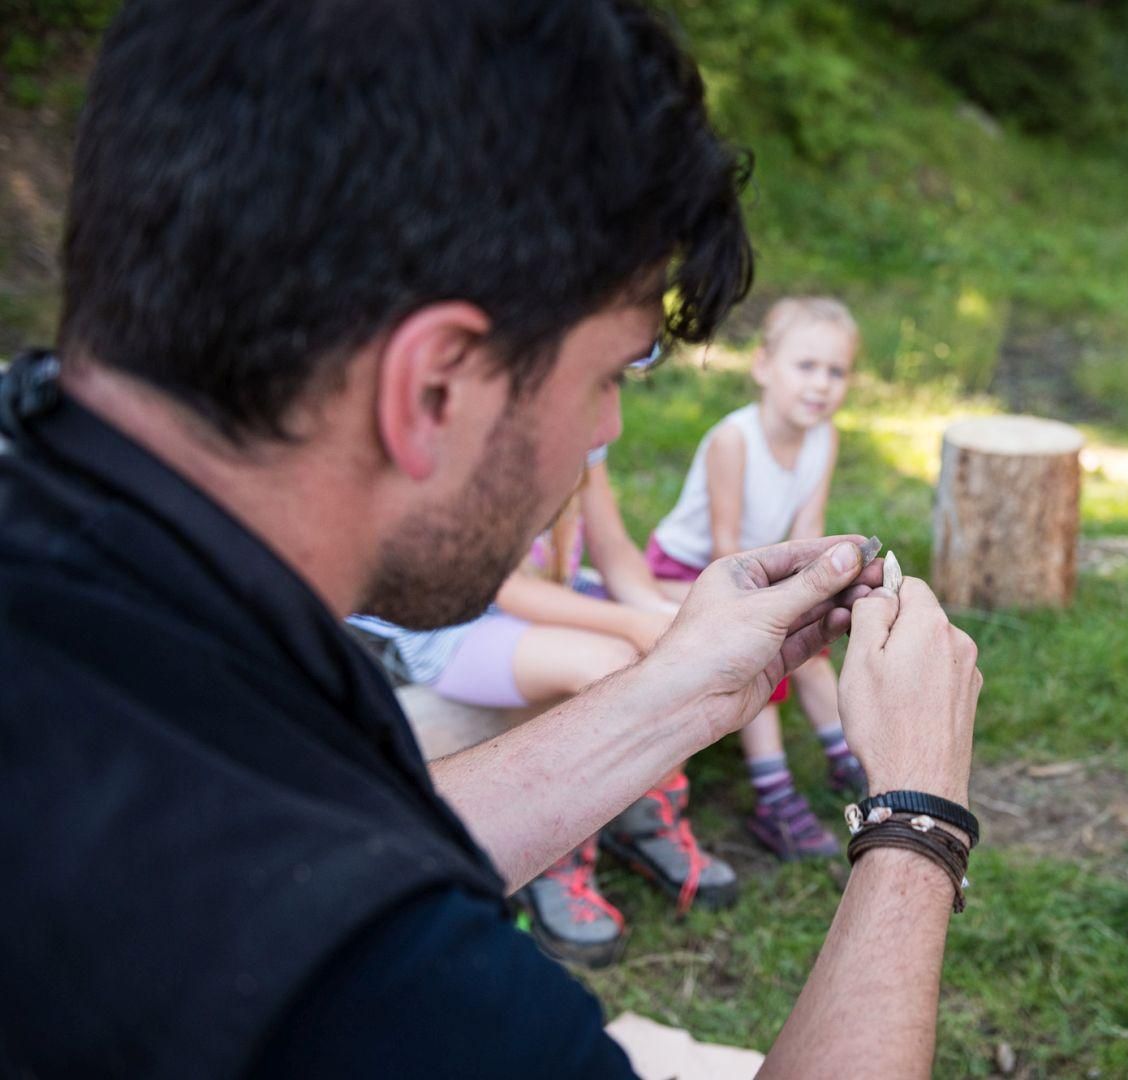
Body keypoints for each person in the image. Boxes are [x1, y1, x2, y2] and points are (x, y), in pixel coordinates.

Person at [0, 3, 982, 1078]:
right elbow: (331, 905)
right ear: (436, 387)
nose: (608, 427)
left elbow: (348, 845)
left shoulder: (102, 543)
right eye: (612, 370)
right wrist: (915, 827)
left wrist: (688, 692)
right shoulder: (376, 996)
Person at [351, 443, 737, 968]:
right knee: (614, 666)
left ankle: (644, 817)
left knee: (668, 652)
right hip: (460, 626)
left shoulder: (590, 425)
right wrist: (631, 624)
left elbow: (615, 548)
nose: (616, 420)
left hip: (559, 594)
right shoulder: (489, 437)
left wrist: (662, 616)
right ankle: (554, 851)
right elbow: (506, 590)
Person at [647, 297, 865, 859]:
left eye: (835, 371)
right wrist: (782, 607)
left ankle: (849, 759)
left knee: (815, 643)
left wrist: (818, 590)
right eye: (806, 366)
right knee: (761, 654)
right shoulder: (734, 440)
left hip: (762, 569)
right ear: (764, 366)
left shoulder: (825, 439)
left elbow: (809, 530)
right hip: (690, 572)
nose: (821, 384)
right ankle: (773, 797)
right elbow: (725, 552)